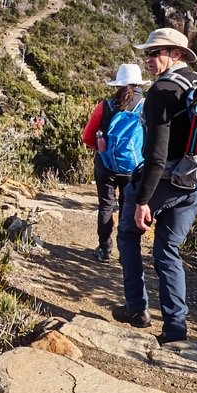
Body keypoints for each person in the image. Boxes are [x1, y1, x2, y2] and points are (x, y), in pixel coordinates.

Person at [113, 27, 197, 344]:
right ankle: (175, 328)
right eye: (147, 53)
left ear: (175, 55)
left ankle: (137, 309)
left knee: (127, 234)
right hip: (193, 183)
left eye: (155, 53)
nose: (148, 59)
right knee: (167, 250)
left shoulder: (162, 91)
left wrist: (142, 202)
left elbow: (156, 155)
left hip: (163, 182)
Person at [81, 63, 147, 261]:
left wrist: (102, 150)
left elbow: (87, 136)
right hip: (134, 168)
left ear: (118, 84)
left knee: (106, 206)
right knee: (128, 207)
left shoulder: (105, 106)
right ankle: (126, 253)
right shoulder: (146, 106)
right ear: (139, 84)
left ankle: (104, 249)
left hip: (106, 166)